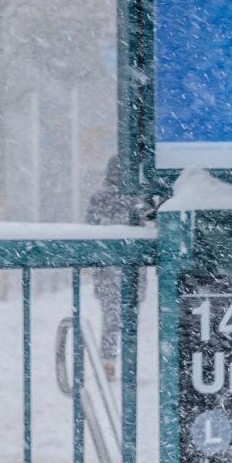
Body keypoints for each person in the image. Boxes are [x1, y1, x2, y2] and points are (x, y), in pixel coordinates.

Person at [84, 156, 155, 381]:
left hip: (106, 267)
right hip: (133, 269)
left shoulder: (100, 198)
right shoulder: (138, 198)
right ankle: (126, 361)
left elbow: (91, 228)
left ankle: (108, 361)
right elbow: (150, 222)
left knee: (110, 317)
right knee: (130, 317)